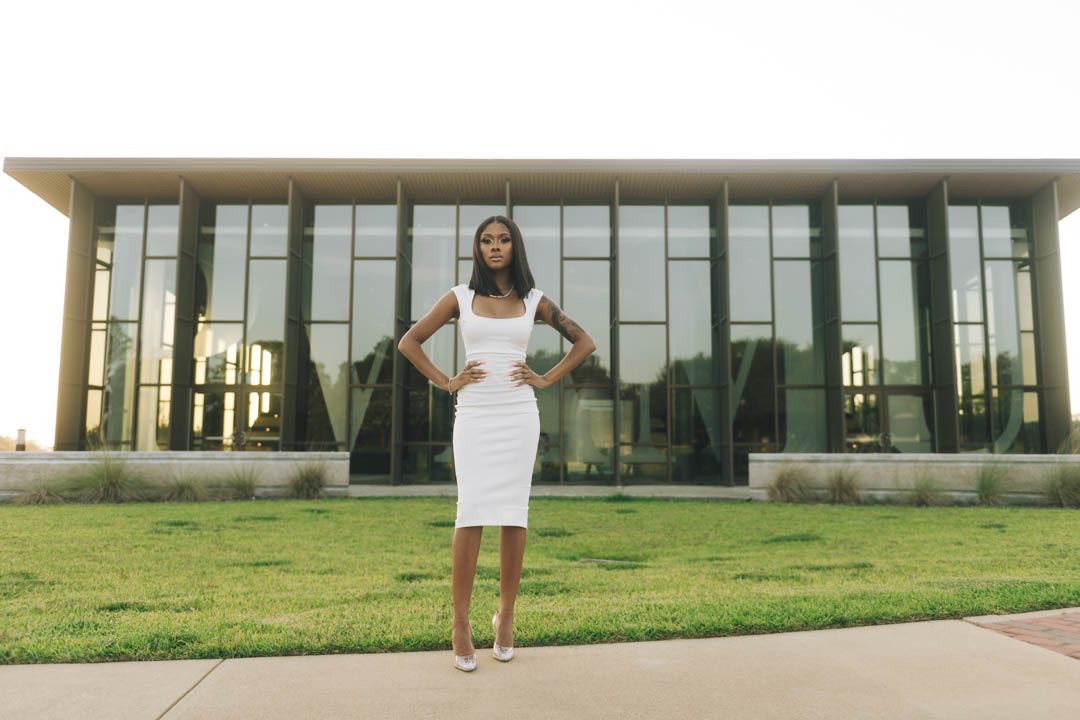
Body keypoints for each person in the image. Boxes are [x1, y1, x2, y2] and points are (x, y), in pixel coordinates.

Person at [397, 214, 596, 672]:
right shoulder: (459, 297)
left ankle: (505, 616)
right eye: (486, 240)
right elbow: (410, 342)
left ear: (515, 247)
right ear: (477, 248)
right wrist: (448, 381)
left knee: (512, 513)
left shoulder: (534, 301)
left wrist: (545, 377)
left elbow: (585, 342)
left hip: (519, 415)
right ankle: (461, 622)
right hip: (474, 414)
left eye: (503, 239)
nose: (495, 246)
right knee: (470, 513)